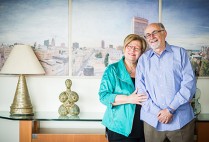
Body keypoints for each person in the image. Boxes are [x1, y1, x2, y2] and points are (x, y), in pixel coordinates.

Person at [135, 23, 196, 142]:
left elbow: (189, 84)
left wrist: (170, 110)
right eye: (147, 35)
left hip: (180, 120)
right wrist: (158, 113)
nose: (151, 37)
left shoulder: (180, 53)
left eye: (154, 32)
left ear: (164, 33)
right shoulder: (143, 59)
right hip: (152, 120)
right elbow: (140, 90)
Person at [99, 34, 148, 142]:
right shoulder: (112, 69)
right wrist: (129, 99)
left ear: (141, 51)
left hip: (144, 127)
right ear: (124, 48)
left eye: (136, 48)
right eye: (129, 46)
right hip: (119, 127)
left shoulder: (145, 70)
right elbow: (103, 96)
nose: (132, 50)